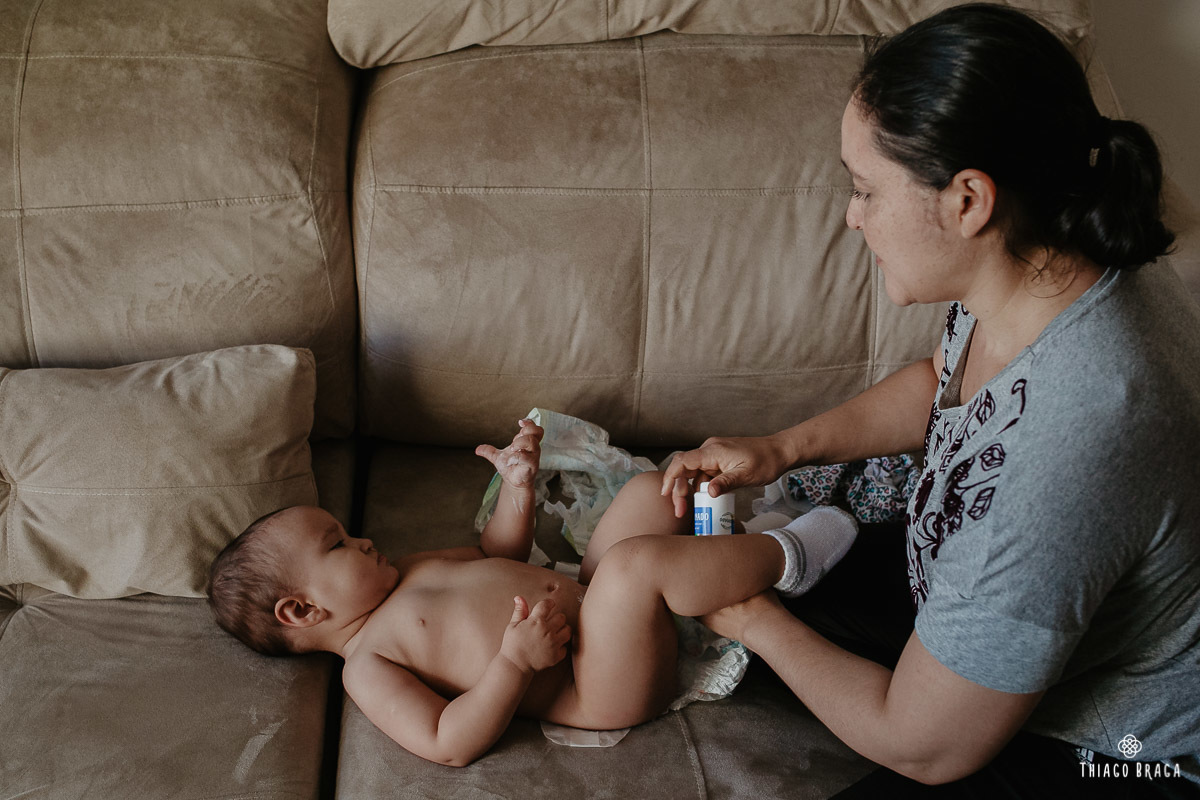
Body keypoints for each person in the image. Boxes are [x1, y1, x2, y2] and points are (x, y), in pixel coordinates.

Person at [661, 4, 1200, 796]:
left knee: (749, 602)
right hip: (991, 609)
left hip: (1112, 749)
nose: (852, 217)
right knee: (734, 567)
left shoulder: (1080, 429)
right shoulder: (1046, 253)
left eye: (867, 189)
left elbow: (922, 746)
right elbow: (943, 387)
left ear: (968, 201)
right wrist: (782, 449)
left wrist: (749, 621)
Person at [206, 418, 858, 767]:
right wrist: (513, 664)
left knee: (646, 494)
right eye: (338, 545)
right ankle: (784, 558)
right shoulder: (369, 665)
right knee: (631, 570)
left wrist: (519, 488)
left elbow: (499, 554)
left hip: (589, 599)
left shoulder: (407, 569)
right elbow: (446, 740)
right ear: (302, 611)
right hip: (596, 682)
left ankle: (735, 539)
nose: (364, 541)